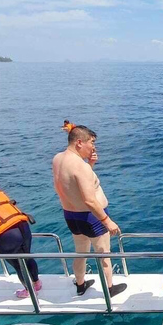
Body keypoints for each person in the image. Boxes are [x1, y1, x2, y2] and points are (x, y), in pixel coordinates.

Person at [52, 124, 126, 297]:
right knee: (103, 255)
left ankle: (80, 285)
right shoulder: (80, 166)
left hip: (71, 215)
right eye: (91, 142)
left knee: (81, 252)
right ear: (79, 142)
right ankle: (109, 289)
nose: (93, 147)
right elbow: (89, 199)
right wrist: (107, 221)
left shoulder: (58, 159)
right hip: (92, 217)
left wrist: (90, 164)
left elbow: (73, 183)